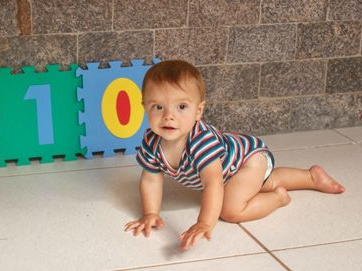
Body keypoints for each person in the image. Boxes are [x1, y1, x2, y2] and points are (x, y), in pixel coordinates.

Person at [124, 60, 345, 251]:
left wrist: (204, 223)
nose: (169, 117)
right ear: (145, 108)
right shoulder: (151, 142)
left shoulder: (201, 143)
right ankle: (310, 177)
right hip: (234, 165)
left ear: (198, 111)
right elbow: (151, 178)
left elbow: (213, 184)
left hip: (248, 159)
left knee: (230, 210)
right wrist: (150, 213)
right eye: (158, 107)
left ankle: (278, 198)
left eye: (181, 106)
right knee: (266, 180)